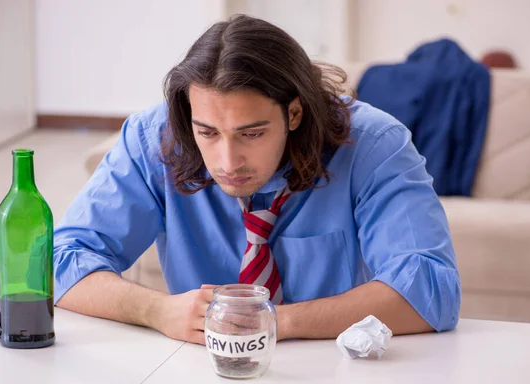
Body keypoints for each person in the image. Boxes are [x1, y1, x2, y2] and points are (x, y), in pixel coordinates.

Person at [54, 14, 461, 345]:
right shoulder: (154, 137)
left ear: (294, 114)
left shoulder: (375, 144)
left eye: (251, 134)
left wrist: (272, 323)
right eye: (208, 133)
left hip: (334, 366)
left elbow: (431, 288)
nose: (227, 161)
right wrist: (157, 310)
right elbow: (60, 261)